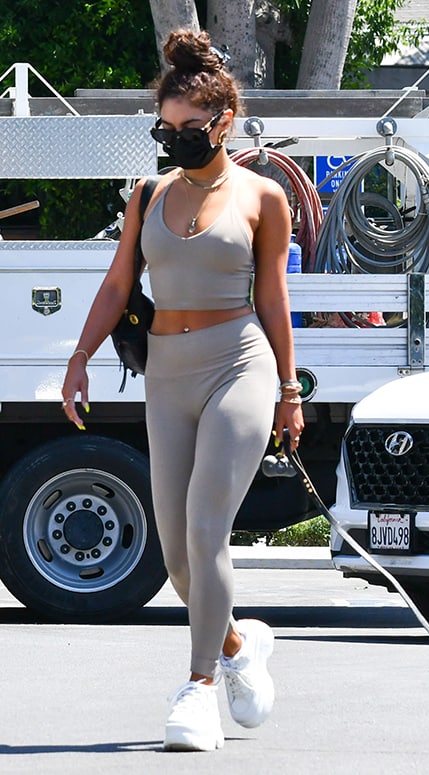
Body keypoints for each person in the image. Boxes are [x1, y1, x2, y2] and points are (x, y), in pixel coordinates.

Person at [61, 28, 304, 752]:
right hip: (165, 370)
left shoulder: (264, 197)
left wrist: (290, 390)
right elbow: (116, 283)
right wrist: (79, 357)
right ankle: (235, 645)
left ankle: (198, 688)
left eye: (187, 128)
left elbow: (275, 299)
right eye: (162, 129)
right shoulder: (148, 193)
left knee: (206, 530)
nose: (173, 141)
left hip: (239, 362)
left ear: (223, 121)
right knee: (175, 558)